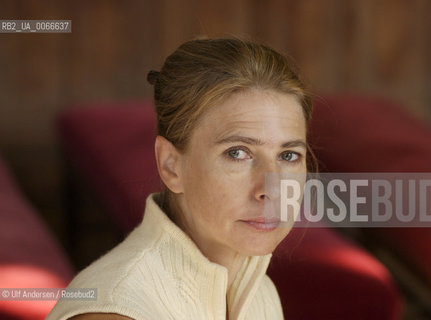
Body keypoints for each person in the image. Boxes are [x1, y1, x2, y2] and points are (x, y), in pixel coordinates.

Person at [47, 37, 317, 320]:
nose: (271, 189)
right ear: (171, 166)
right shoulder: (119, 311)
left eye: (288, 155)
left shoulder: (259, 292)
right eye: (237, 153)